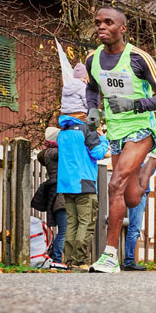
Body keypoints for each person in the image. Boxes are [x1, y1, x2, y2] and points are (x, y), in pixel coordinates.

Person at [85, 6, 156, 273]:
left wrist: (133, 104)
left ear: (122, 28)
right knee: (132, 197)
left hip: (141, 129)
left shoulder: (139, 58)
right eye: (98, 22)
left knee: (114, 184)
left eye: (108, 22)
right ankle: (155, 161)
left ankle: (109, 256)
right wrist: (93, 110)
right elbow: (92, 89)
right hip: (115, 132)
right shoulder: (92, 60)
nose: (101, 26)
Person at [57, 62, 109, 270]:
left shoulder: (63, 131)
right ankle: (79, 261)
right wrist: (103, 139)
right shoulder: (86, 128)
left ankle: (68, 260)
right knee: (86, 224)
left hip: (66, 185)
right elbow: (97, 153)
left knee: (71, 223)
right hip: (85, 184)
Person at [36, 128, 67, 263]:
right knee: (64, 231)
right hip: (61, 195)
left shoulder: (49, 153)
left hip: (57, 194)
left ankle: (55, 256)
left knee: (63, 230)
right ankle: (56, 258)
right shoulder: (55, 153)